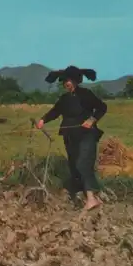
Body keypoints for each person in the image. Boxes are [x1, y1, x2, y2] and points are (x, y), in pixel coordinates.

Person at [36, 65, 107, 211]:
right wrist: (43, 120)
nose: (66, 83)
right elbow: (55, 111)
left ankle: (91, 199)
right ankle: (89, 195)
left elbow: (102, 107)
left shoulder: (86, 94)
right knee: (74, 166)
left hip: (87, 135)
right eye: (64, 81)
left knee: (83, 163)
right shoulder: (64, 98)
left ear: (76, 80)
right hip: (69, 136)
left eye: (69, 80)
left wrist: (92, 120)